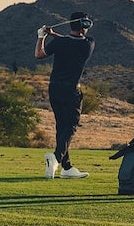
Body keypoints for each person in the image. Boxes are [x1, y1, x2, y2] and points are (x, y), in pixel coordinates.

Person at [34, 11, 96, 179]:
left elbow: (39, 54)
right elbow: (74, 42)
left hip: (54, 88)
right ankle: (55, 158)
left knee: (61, 126)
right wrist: (55, 35)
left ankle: (67, 168)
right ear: (84, 27)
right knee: (71, 125)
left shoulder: (58, 43)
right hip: (71, 91)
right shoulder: (88, 44)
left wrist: (43, 36)